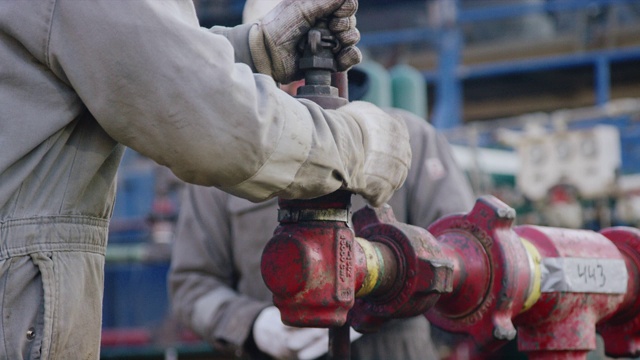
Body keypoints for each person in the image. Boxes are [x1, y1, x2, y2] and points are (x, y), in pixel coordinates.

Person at [0, 1, 412, 359]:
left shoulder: (416, 139)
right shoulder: (377, 139)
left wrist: (254, 52)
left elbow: (137, 55)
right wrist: (356, 145)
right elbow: (203, 111)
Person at [169, 67, 476, 360]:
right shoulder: (222, 164)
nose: (294, 84)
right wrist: (254, 326)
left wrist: (388, 296)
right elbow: (192, 284)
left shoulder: (404, 140)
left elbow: (463, 259)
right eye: (277, 70)